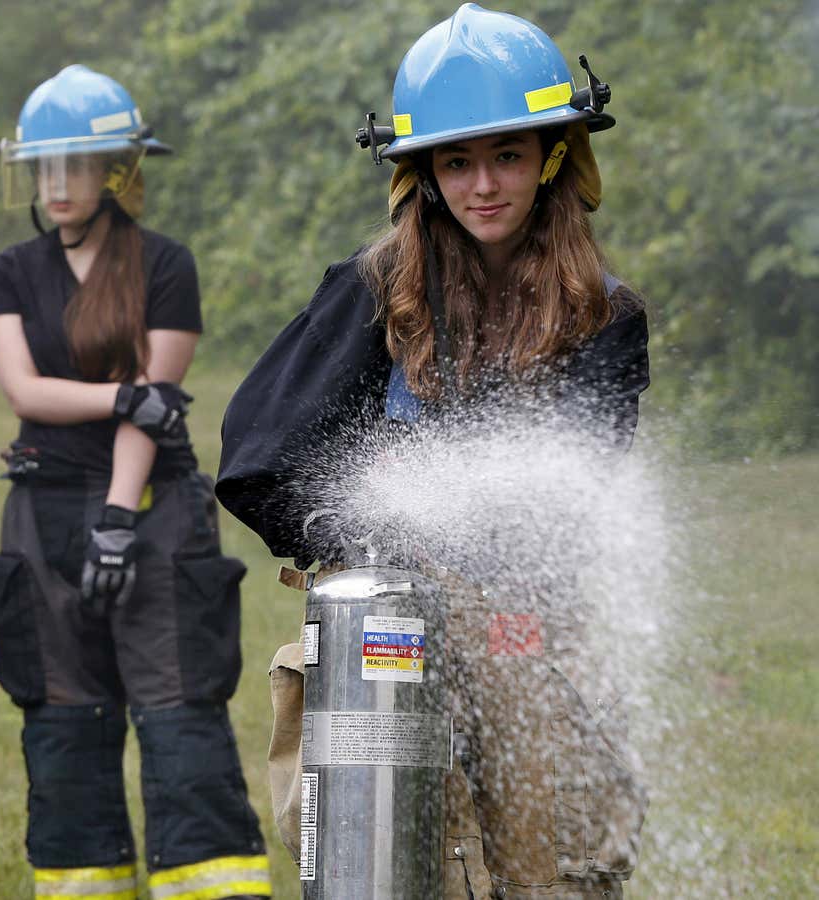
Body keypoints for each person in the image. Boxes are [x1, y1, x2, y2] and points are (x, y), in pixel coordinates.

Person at [216, 4, 650, 897]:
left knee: (557, 865)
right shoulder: (373, 291)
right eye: (456, 161)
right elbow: (258, 455)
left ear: (556, 156)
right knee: (399, 862)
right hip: (388, 632)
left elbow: (582, 488)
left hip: (531, 629)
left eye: (508, 156)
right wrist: (348, 524)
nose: (482, 184)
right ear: (421, 173)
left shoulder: (606, 315)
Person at [0, 64, 271, 900]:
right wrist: (118, 394)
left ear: (118, 170)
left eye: (76, 164)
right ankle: (82, 882)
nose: (57, 183)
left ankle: (209, 882)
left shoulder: (167, 265)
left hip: (153, 512)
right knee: (62, 713)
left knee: (178, 706)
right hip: (40, 514)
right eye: (44, 166)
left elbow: (158, 409)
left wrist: (114, 515)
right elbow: (23, 392)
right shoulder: (12, 270)